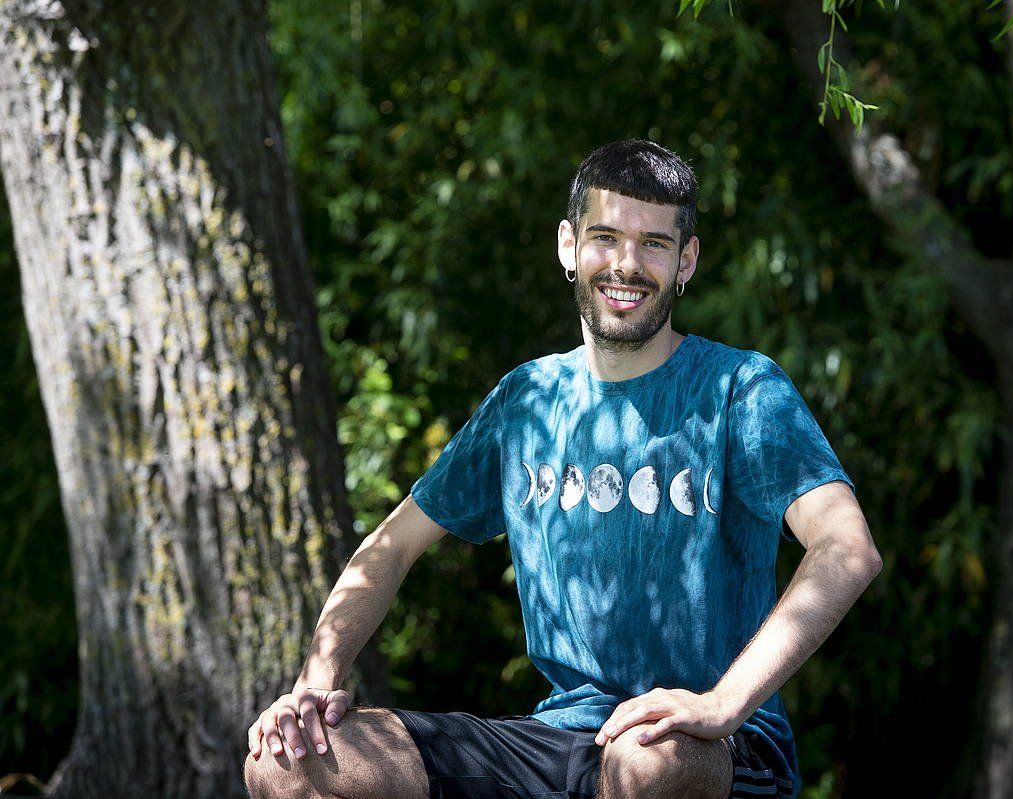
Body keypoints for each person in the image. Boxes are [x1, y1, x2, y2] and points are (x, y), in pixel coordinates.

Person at [243, 139, 882, 799]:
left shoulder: (740, 390)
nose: (627, 264)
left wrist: (722, 703)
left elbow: (847, 547)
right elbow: (393, 545)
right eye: (605, 237)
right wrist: (315, 688)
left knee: (650, 757)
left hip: (716, 750)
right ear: (568, 245)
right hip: (560, 741)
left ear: (686, 260)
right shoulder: (527, 401)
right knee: (286, 764)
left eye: (655, 244)